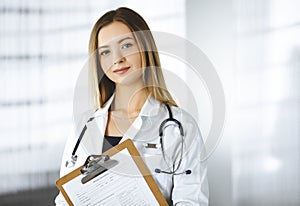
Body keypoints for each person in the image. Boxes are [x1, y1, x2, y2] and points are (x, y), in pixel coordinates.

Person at [55, 7, 208, 205]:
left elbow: (191, 201)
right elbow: (65, 199)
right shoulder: (84, 125)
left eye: (126, 45)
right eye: (105, 52)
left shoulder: (179, 127)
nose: (117, 59)